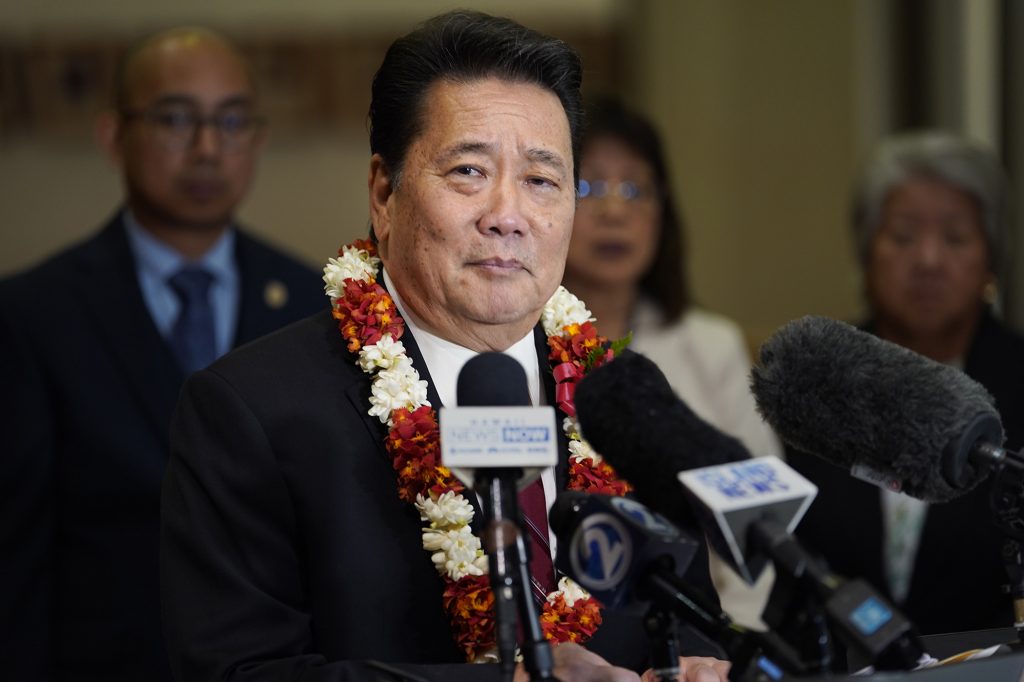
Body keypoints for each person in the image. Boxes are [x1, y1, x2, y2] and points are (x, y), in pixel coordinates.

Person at [160, 12, 731, 682]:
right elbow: (237, 673)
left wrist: (703, 665)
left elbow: (693, 614)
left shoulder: (625, 394)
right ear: (384, 193)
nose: (507, 215)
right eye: (468, 171)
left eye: (543, 181)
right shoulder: (250, 411)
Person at [0, 27, 324, 681]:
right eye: (176, 119)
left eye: (232, 121)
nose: (208, 148)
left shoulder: (315, 304)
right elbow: (16, 557)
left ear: (256, 138)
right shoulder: (32, 315)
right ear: (114, 135)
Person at [789, 130, 1024, 636]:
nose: (929, 261)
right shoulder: (820, 376)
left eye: (956, 238)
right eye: (903, 235)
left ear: (991, 259)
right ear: (866, 252)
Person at [561, 97, 783, 629]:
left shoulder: (711, 346)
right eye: (588, 187)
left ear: (664, 212)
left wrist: (732, 644)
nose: (615, 211)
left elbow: (760, 517)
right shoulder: (508, 346)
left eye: (635, 189)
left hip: (703, 636)